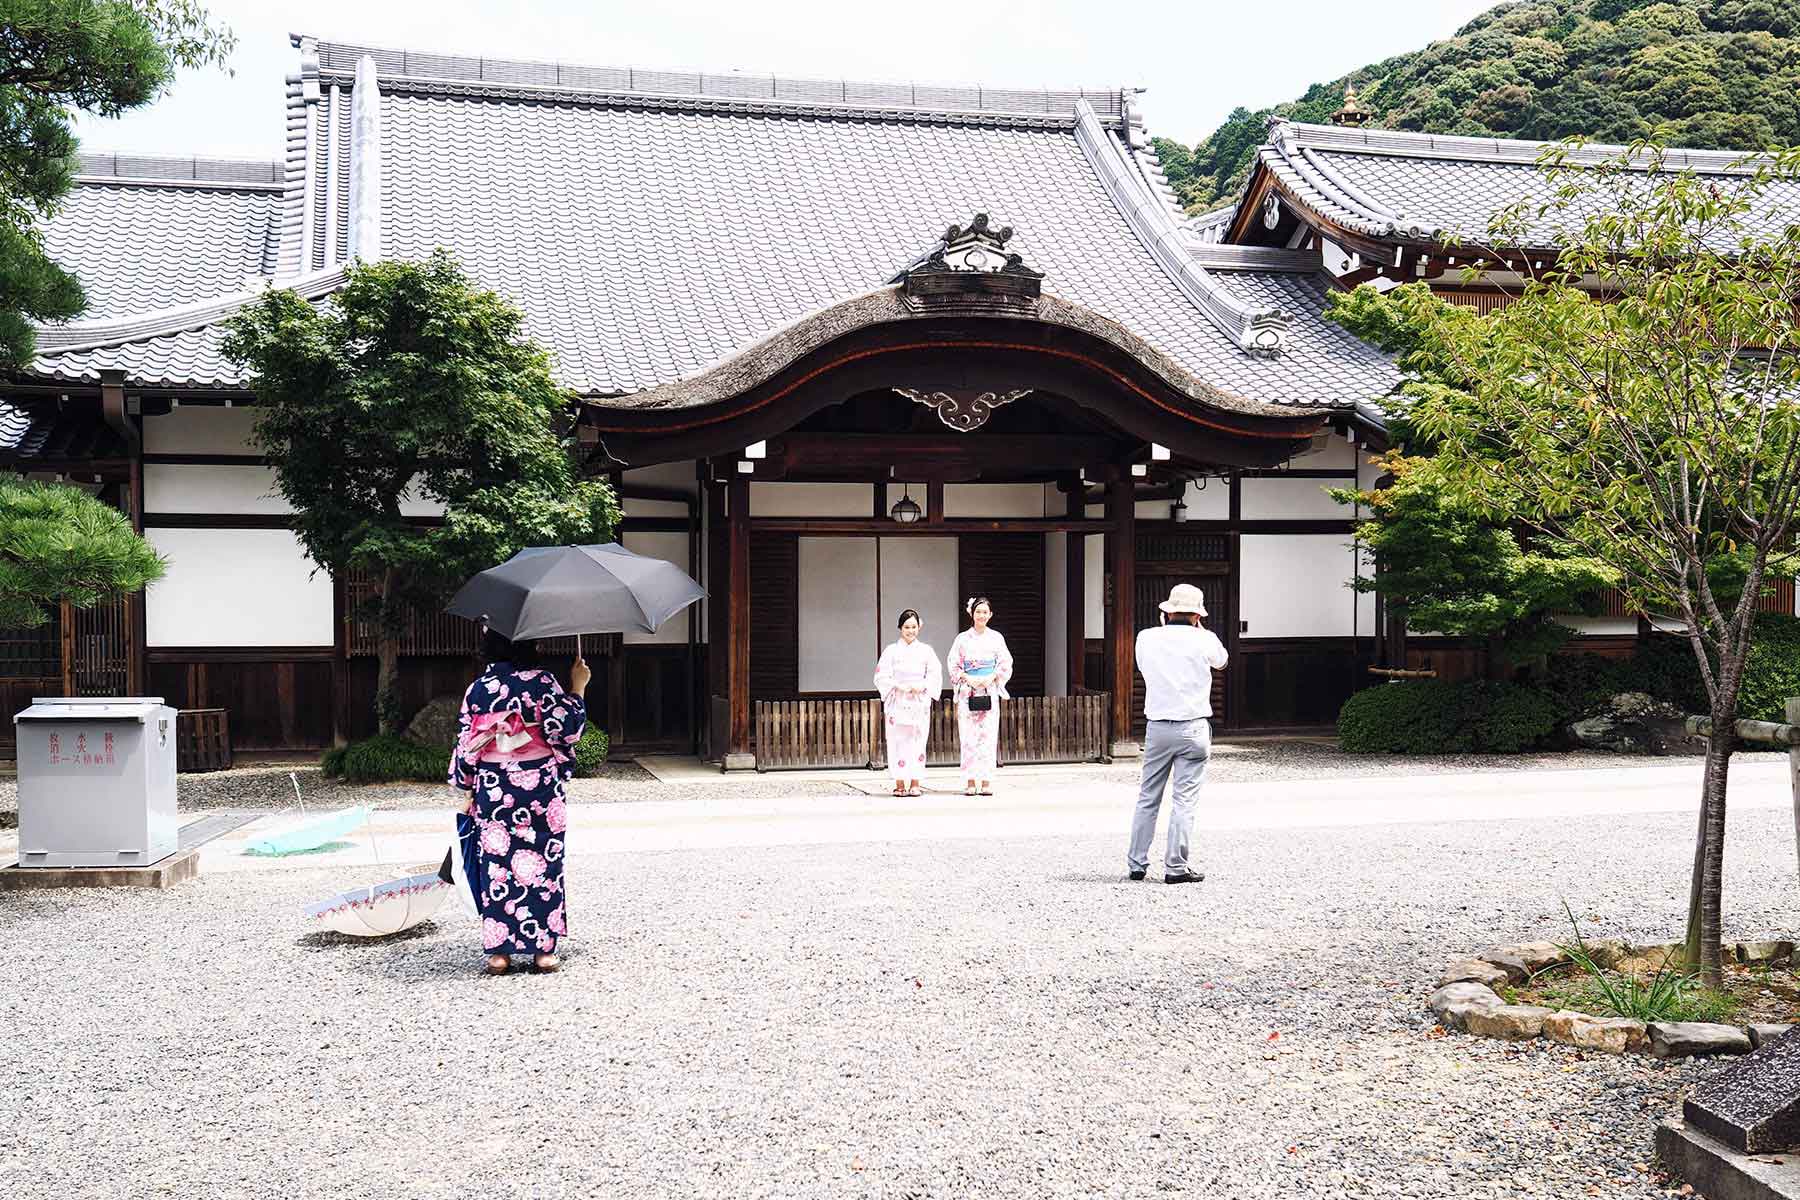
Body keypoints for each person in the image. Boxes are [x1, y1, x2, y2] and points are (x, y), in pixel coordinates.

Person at [449, 629, 591, 975]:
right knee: (544, 864)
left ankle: (499, 952)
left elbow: (468, 743)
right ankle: (543, 951)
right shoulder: (543, 682)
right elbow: (566, 729)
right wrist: (579, 686)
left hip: (495, 788)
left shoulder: (478, 689)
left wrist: (467, 787)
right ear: (531, 644)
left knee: (497, 866)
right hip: (539, 786)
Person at [1127, 583, 1227, 884]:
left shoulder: (1146, 637)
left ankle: (1137, 864)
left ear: (1166, 612)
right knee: (1184, 800)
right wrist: (1201, 633)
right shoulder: (1205, 638)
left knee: (1148, 796)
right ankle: (1176, 866)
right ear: (1198, 615)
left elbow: (1143, 666)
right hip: (1193, 725)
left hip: (1158, 726)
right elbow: (1221, 661)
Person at [946, 596, 1012, 797]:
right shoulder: (962, 639)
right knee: (968, 737)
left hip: (989, 689)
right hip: (968, 689)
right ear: (971, 614)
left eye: (985, 612)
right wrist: (966, 676)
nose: (981, 615)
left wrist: (992, 676)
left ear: (990, 614)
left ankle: (986, 780)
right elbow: (953, 663)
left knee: (988, 736)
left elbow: (1005, 663)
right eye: (978, 612)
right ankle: (970, 780)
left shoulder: (996, 638)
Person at [874, 608, 942, 797]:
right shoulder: (891, 651)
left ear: (919, 627)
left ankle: (915, 782)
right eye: (906, 627)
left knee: (917, 742)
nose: (910, 630)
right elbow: (881, 676)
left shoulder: (926, 651)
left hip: (918, 701)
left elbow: (935, 674)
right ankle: (899, 783)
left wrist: (923, 686)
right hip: (898, 699)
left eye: (913, 627)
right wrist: (898, 685)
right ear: (900, 628)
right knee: (897, 741)